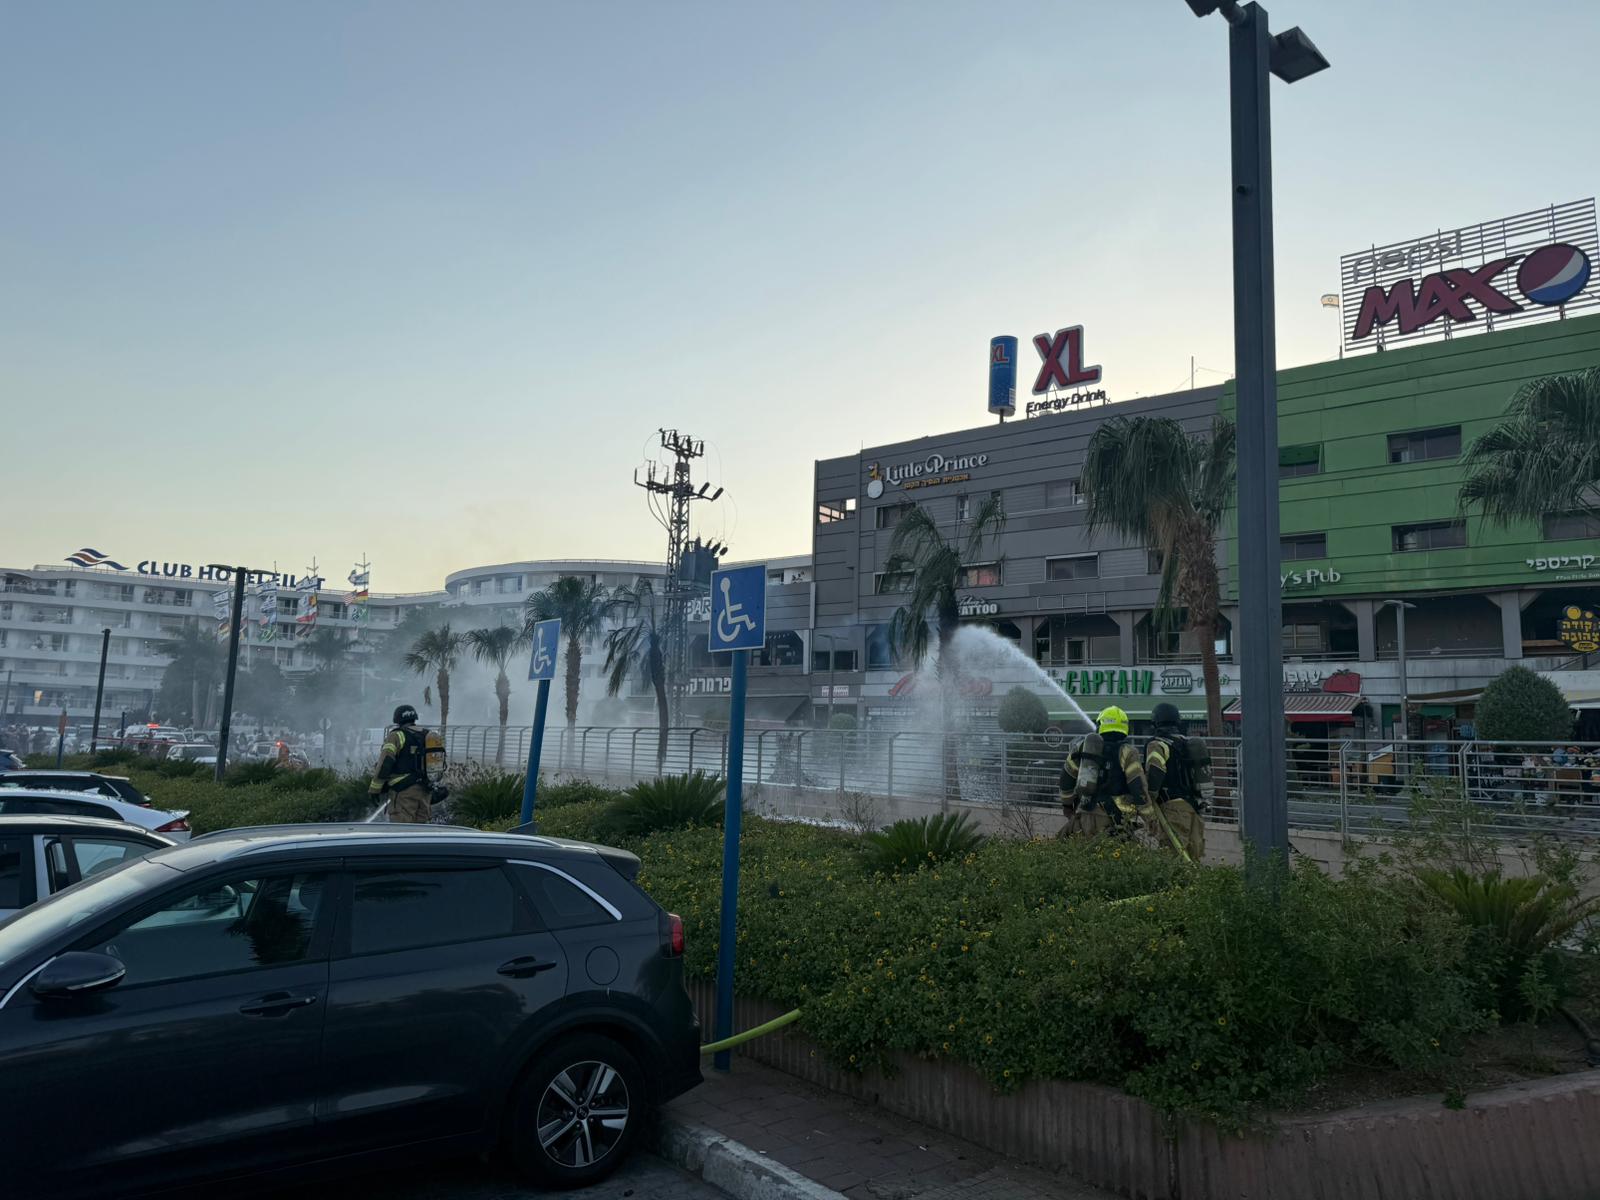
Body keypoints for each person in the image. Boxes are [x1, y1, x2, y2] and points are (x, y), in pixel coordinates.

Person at [1059, 706, 1149, 838]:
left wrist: (1067, 806)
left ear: (1100, 725)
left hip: (1084, 813)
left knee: (1080, 849)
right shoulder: (1128, 752)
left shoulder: (1081, 747)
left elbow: (1066, 779)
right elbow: (1138, 787)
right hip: (1114, 819)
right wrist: (1149, 816)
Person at [1143, 702, 1210, 862]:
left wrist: (1148, 798)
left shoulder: (1157, 745)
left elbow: (1155, 772)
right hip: (1193, 806)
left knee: (1173, 857)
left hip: (1172, 809)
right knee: (1193, 855)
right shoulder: (1186, 743)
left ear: (1155, 722)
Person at [369, 704, 434, 824]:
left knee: (402, 830)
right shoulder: (427, 735)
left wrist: (375, 789)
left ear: (397, 719)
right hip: (425, 791)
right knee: (422, 831)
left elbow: (385, 763)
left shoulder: (396, 736)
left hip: (403, 792)